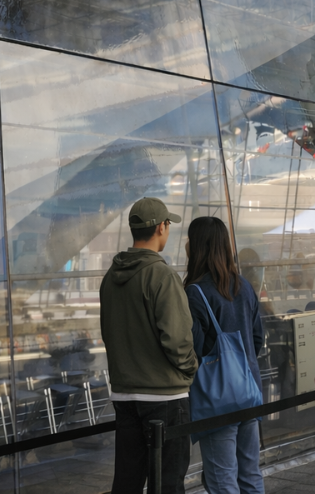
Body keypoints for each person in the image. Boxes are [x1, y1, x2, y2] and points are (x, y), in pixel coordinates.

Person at [100, 197, 197, 494]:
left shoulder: (110, 278)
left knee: (127, 483)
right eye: (168, 225)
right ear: (161, 228)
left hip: (125, 395)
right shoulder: (162, 276)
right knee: (167, 483)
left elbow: (109, 333)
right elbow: (178, 340)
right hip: (164, 397)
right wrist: (191, 368)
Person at [184, 217, 265, 494]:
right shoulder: (244, 286)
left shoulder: (195, 292)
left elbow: (192, 349)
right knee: (250, 475)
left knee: (222, 481)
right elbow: (257, 340)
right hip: (248, 392)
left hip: (218, 401)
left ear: (196, 247)